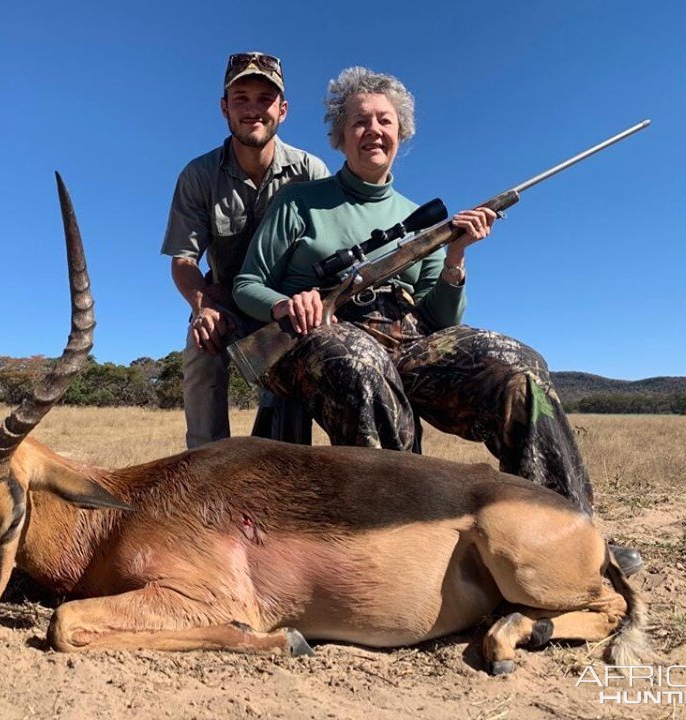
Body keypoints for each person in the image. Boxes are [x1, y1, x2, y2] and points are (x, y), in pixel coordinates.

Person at [233, 66, 642, 575]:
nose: (373, 130)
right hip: (315, 337)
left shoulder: (419, 218)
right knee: (358, 361)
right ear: (340, 136)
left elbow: (438, 317)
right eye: (359, 121)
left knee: (518, 364)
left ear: (401, 133)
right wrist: (285, 305)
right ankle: (400, 550)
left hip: (406, 339)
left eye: (385, 120)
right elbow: (246, 284)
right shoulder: (299, 202)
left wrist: (456, 259)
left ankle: (567, 539)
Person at [161, 52, 329, 449]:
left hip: (289, 307)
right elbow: (184, 262)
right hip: (227, 305)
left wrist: (307, 305)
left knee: (324, 356)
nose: (253, 109)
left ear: (283, 110)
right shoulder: (199, 175)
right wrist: (203, 306)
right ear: (224, 108)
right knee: (202, 350)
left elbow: (330, 256)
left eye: (265, 99)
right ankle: (204, 469)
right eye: (241, 98)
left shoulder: (311, 172)